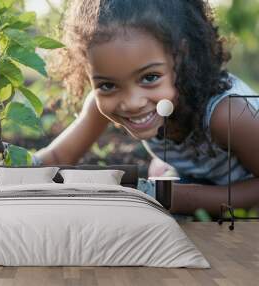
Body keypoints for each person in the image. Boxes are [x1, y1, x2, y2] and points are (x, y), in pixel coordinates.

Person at [33, 0, 259, 216]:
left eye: (149, 77)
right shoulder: (104, 103)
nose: (131, 102)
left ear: (181, 58)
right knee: (158, 180)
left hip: (247, 191)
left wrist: (172, 197)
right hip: (201, 177)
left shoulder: (228, 114)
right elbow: (57, 155)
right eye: (107, 84)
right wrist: (10, 168)